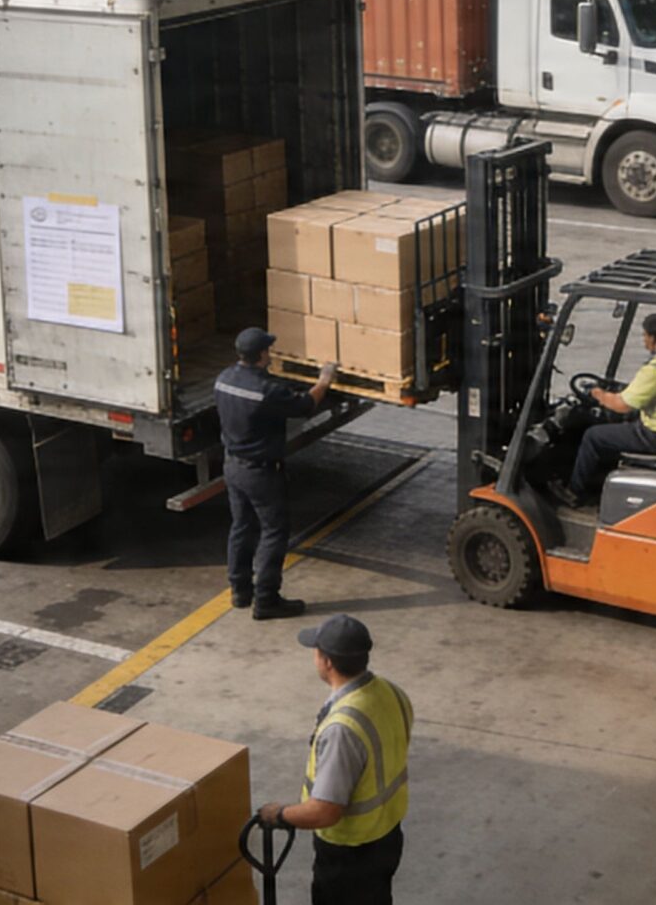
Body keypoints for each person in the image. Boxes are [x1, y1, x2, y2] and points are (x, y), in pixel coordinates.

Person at [258, 614, 412, 904]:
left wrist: (279, 815)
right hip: (388, 837)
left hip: (351, 856)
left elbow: (324, 812)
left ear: (326, 662)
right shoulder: (391, 692)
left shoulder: (343, 729)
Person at [218, 327, 336, 620]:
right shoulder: (265, 391)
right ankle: (267, 599)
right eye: (268, 350)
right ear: (261, 355)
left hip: (232, 466)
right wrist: (324, 379)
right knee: (273, 532)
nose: (270, 354)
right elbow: (305, 405)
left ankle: (240, 591)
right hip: (261, 473)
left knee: (241, 527)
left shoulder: (223, 380)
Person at [560, 312, 656, 506]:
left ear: (652, 339)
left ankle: (574, 492)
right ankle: (601, 477)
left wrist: (597, 394)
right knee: (616, 428)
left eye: (644, 336)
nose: (644, 340)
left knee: (593, 436)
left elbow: (621, 406)